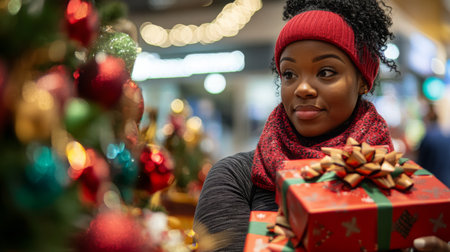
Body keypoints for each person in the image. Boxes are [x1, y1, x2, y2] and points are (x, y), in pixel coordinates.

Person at [193, 0, 450, 251]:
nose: (302, 88)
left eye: (326, 72)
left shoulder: (398, 183)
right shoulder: (235, 178)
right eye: (290, 74)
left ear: (362, 81)